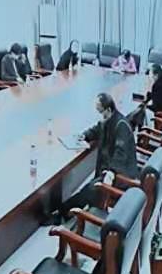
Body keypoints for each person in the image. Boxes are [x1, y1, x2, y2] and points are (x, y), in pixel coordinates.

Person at [48, 93, 139, 224]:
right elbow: (96, 130)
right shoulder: (108, 119)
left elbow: (121, 154)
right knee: (89, 188)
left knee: (88, 190)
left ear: (108, 109)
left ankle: (62, 213)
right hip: (109, 171)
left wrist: (111, 172)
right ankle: (63, 211)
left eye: (101, 111)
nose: (100, 115)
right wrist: (84, 135)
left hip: (120, 175)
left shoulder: (121, 125)